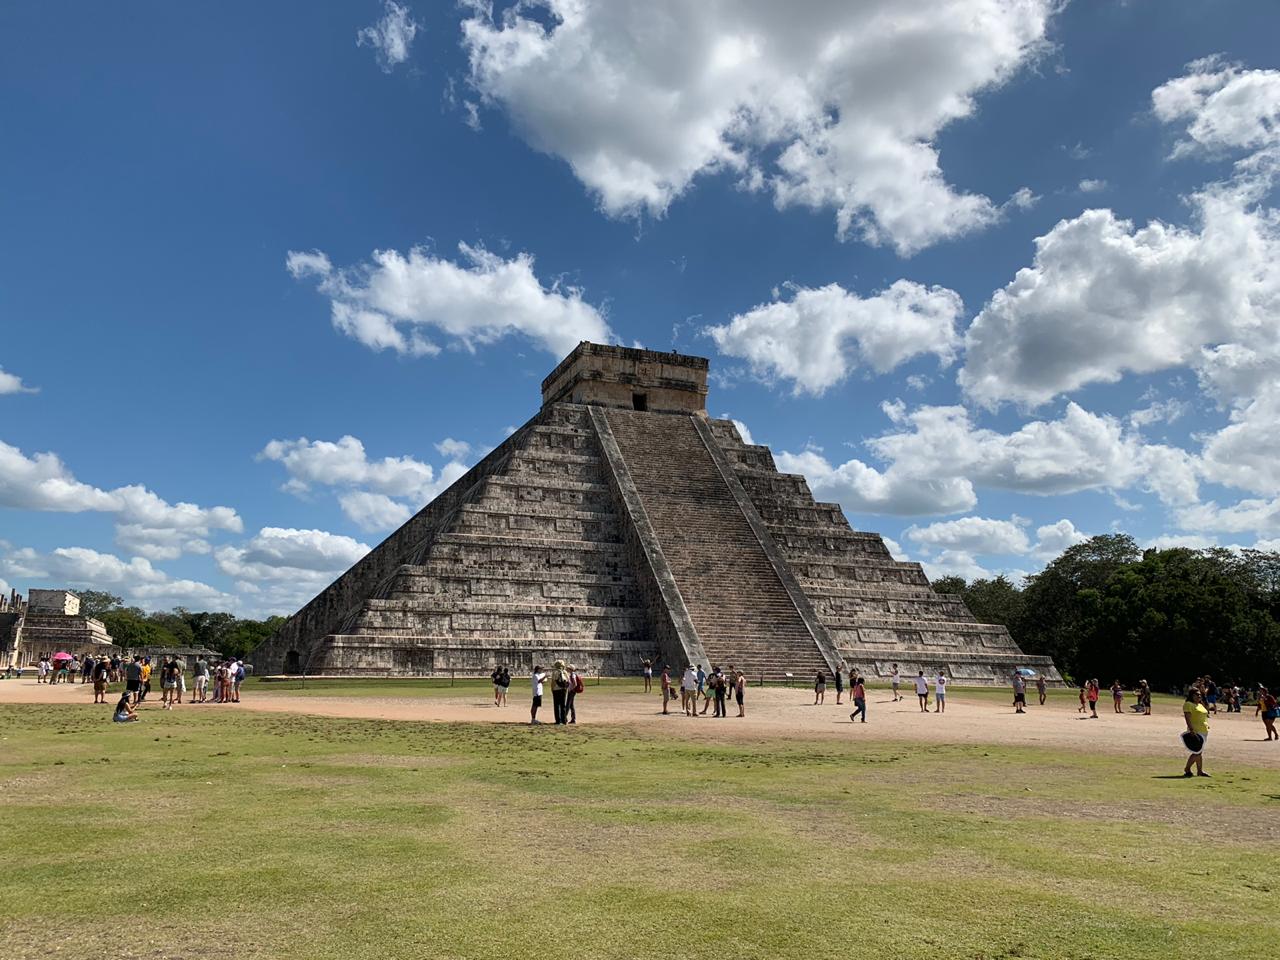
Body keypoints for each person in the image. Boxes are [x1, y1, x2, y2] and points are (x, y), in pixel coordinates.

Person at [1182, 687, 1210, 777]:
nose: (1199, 696)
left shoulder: (1200, 705)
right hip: (1195, 730)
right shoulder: (1188, 704)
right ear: (1191, 695)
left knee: (1199, 751)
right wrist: (1191, 729)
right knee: (1197, 752)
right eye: (1196, 694)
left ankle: (1199, 771)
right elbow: (1187, 718)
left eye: (1199, 695)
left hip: (1204, 730)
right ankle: (1187, 768)